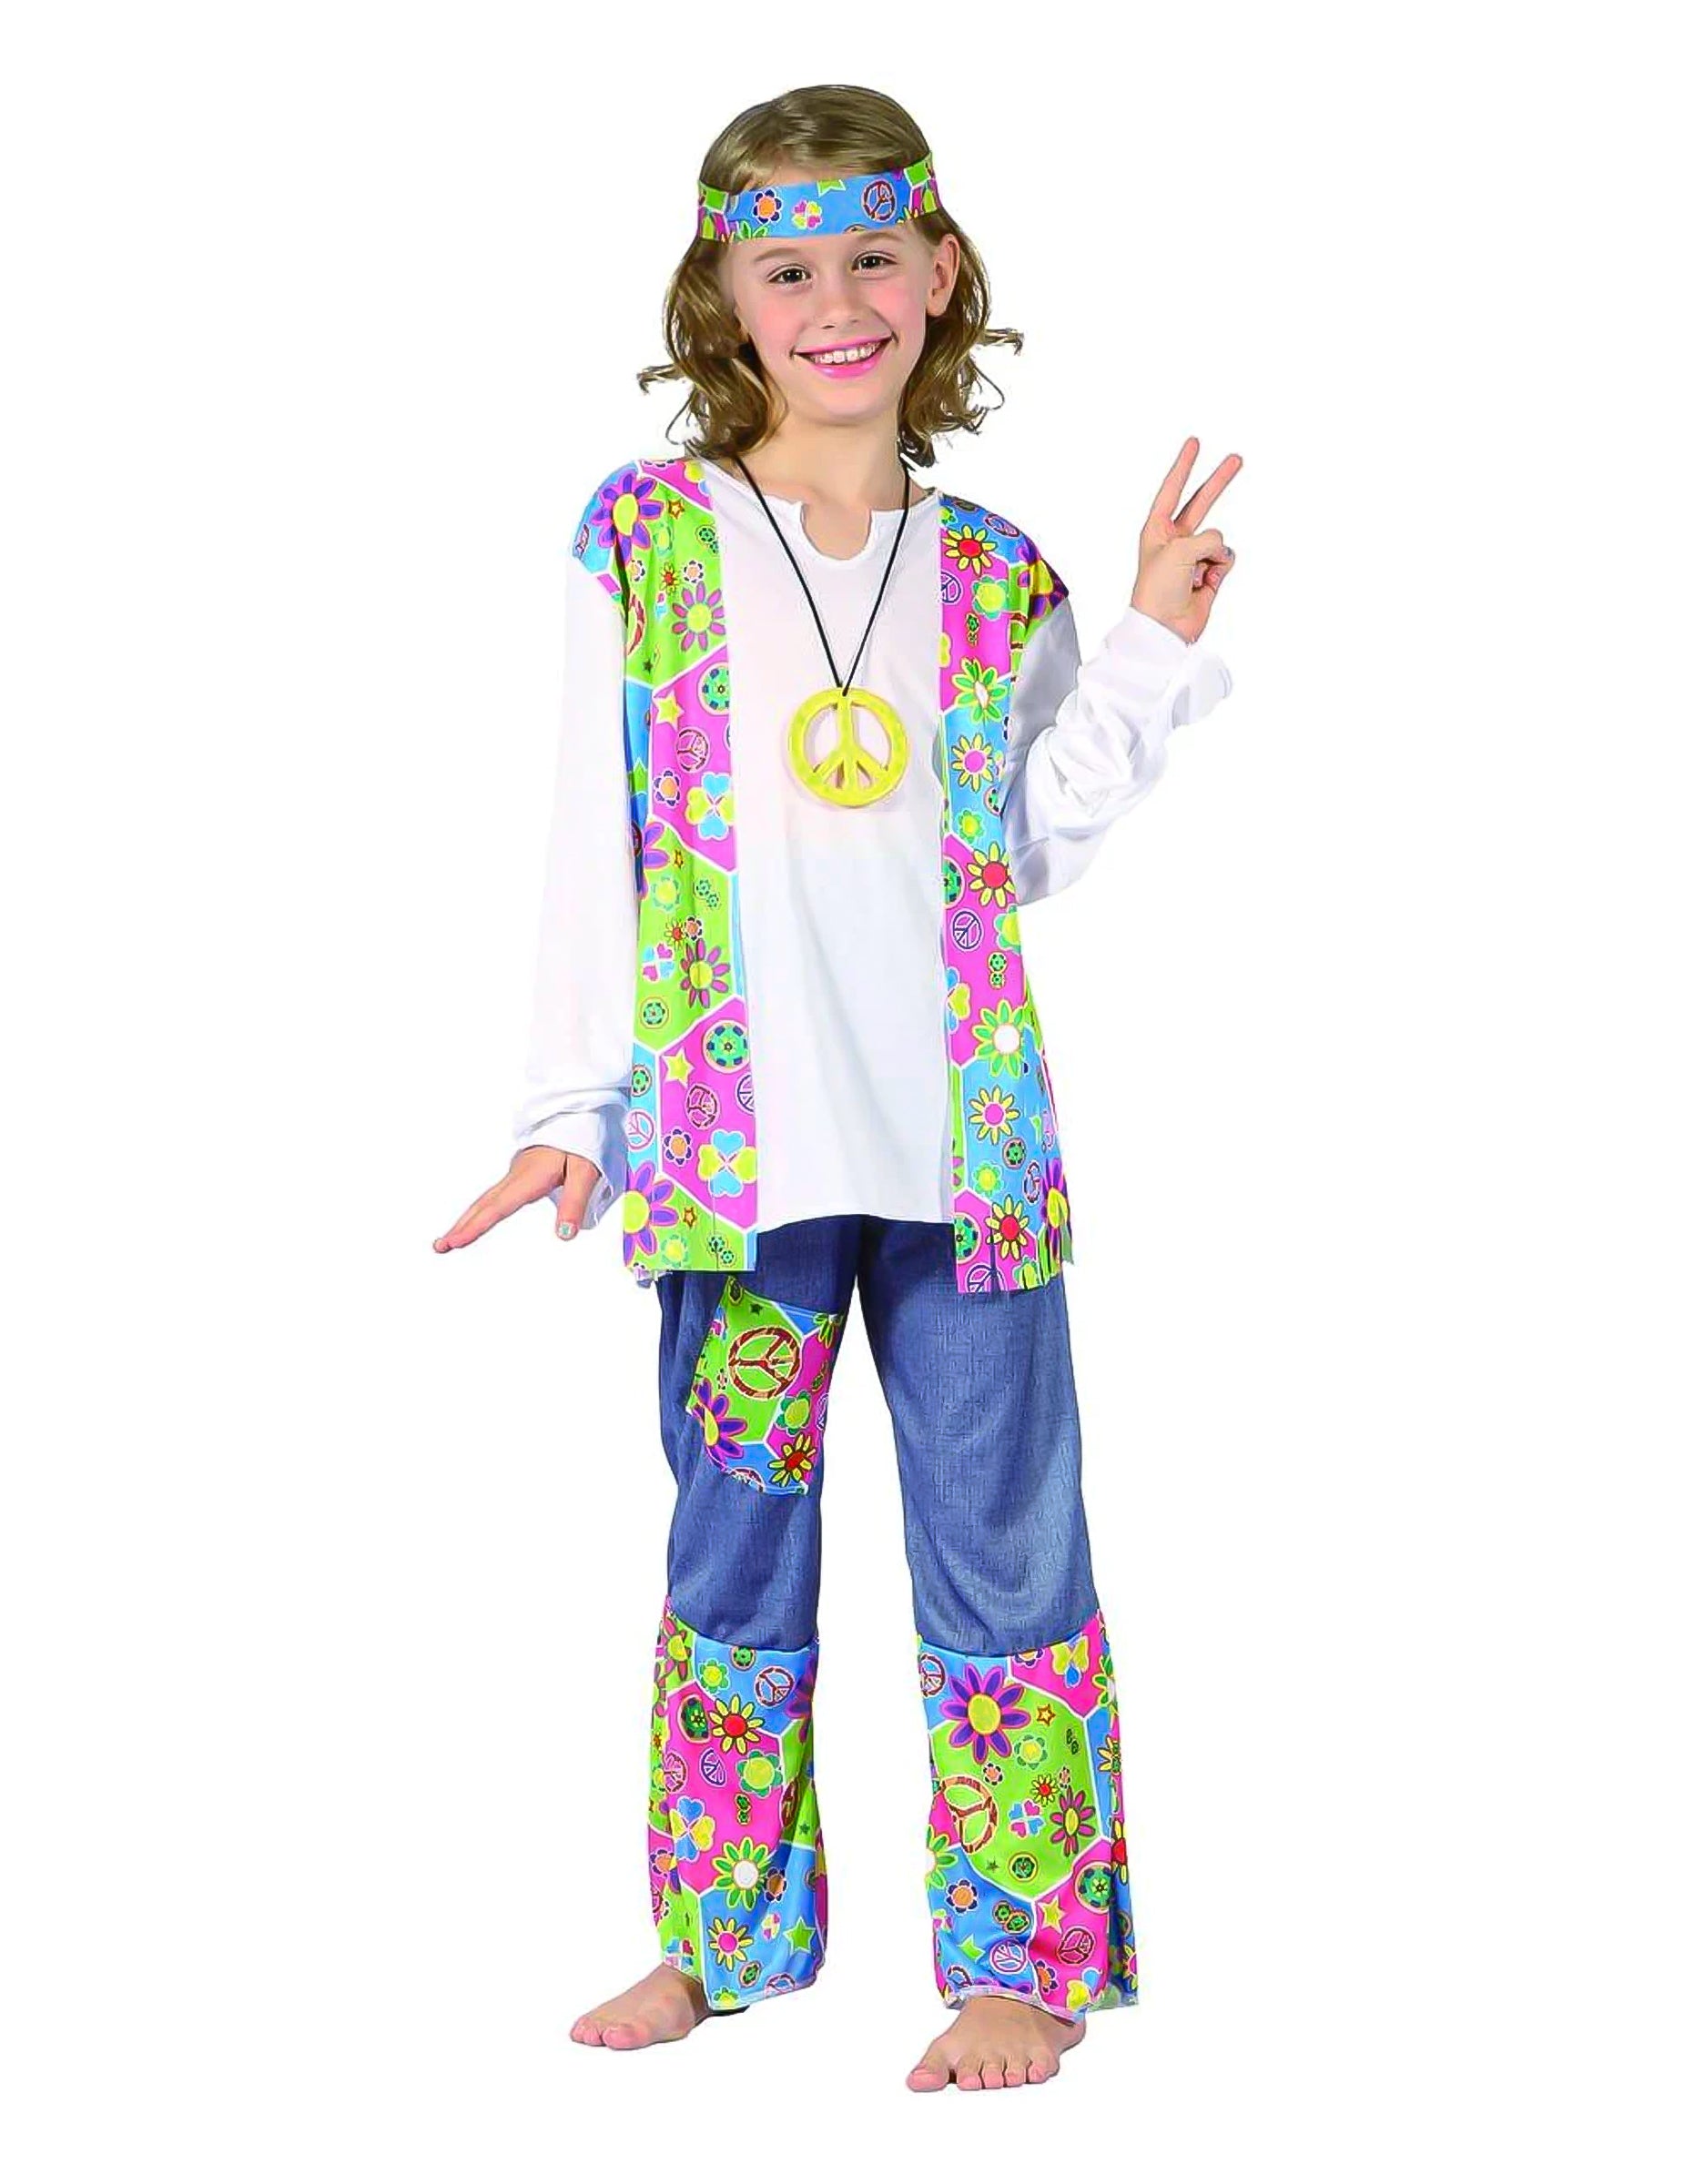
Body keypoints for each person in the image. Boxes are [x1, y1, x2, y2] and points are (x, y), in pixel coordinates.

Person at [433, 83, 1240, 2095]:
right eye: (787, 269)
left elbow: (1018, 844)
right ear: (727, 297)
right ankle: (717, 1942)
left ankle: (1024, 1959)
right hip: (730, 1160)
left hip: (970, 1160)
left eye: (874, 257)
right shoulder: (647, 537)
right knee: (732, 1542)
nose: (837, 303)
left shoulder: (993, 569)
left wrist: (1144, 642)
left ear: (939, 273)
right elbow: (591, 833)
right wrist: (567, 1111)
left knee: (1006, 1547)